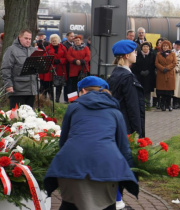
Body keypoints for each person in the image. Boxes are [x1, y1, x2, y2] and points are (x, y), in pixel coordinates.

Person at [44, 76, 139, 210]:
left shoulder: (73, 108)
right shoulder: (115, 112)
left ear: (82, 90)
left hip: (72, 164)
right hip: (105, 167)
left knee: (69, 205)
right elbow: (124, 149)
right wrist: (132, 177)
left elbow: (63, 142)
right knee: (107, 206)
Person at [108, 40, 145, 138]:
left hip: (119, 123)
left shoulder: (115, 73)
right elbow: (133, 106)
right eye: (134, 51)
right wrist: (138, 134)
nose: (136, 54)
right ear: (127, 56)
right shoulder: (127, 77)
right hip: (127, 127)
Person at [1, 29, 36, 109]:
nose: (28, 41)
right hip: (18, 90)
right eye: (26, 38)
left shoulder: (33, 50)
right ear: (19, 37)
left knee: (29, 116)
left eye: (30, 39)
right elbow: (6, 68)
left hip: (31, 90)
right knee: (16, 117)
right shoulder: (11, 50)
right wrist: (8, 85)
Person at [43, 34, 68, 103]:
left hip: (60, 68)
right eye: (52, 40)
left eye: (55, 40)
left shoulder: (63, 48)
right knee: (50, 85)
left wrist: (60, 60)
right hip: (50, 69)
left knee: (59, 85)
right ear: (50, 41)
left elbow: (66, 58)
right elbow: (45, 57)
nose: (54, 41)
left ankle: (57, 100)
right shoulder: (47, 48)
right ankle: (51, 100)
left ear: (58, 40)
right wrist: (52, 60)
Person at [131, 41, 156, 108]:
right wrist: (140, 71)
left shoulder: (152, 55)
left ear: (149, 48)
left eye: (147, 46)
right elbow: (135, 65)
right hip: (140, 75)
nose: (145, 48)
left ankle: (148, 104)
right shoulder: (138, 55)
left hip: (149, 76)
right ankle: (141, 104)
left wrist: (148, 71)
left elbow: (153, 65)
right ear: (141, 47)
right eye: (144, 46)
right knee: (140, 90)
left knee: (148, 90)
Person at [155, 40, 177, 111]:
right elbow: (156, 63)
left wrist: (167, 68)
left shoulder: (173, 54)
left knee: (169, 91)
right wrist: (162, 68)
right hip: (161, 74)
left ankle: (169, 105)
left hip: (169, 74)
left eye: (166, 46)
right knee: (162, 91)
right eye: (164, 46)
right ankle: (163, 104)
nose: (165, 47)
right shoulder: (158, 54)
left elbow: (174, 63)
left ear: (169, 47)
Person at [63, 31, 75, 103]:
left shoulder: (74, 44)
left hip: (73, 67)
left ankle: (72, 99)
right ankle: (66, 99)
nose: (73, 38)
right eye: (71, 36)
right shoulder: (65, 45)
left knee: (72, 84)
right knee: (67, 84)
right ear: (67, 37)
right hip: (67, 66)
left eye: (73, 36)